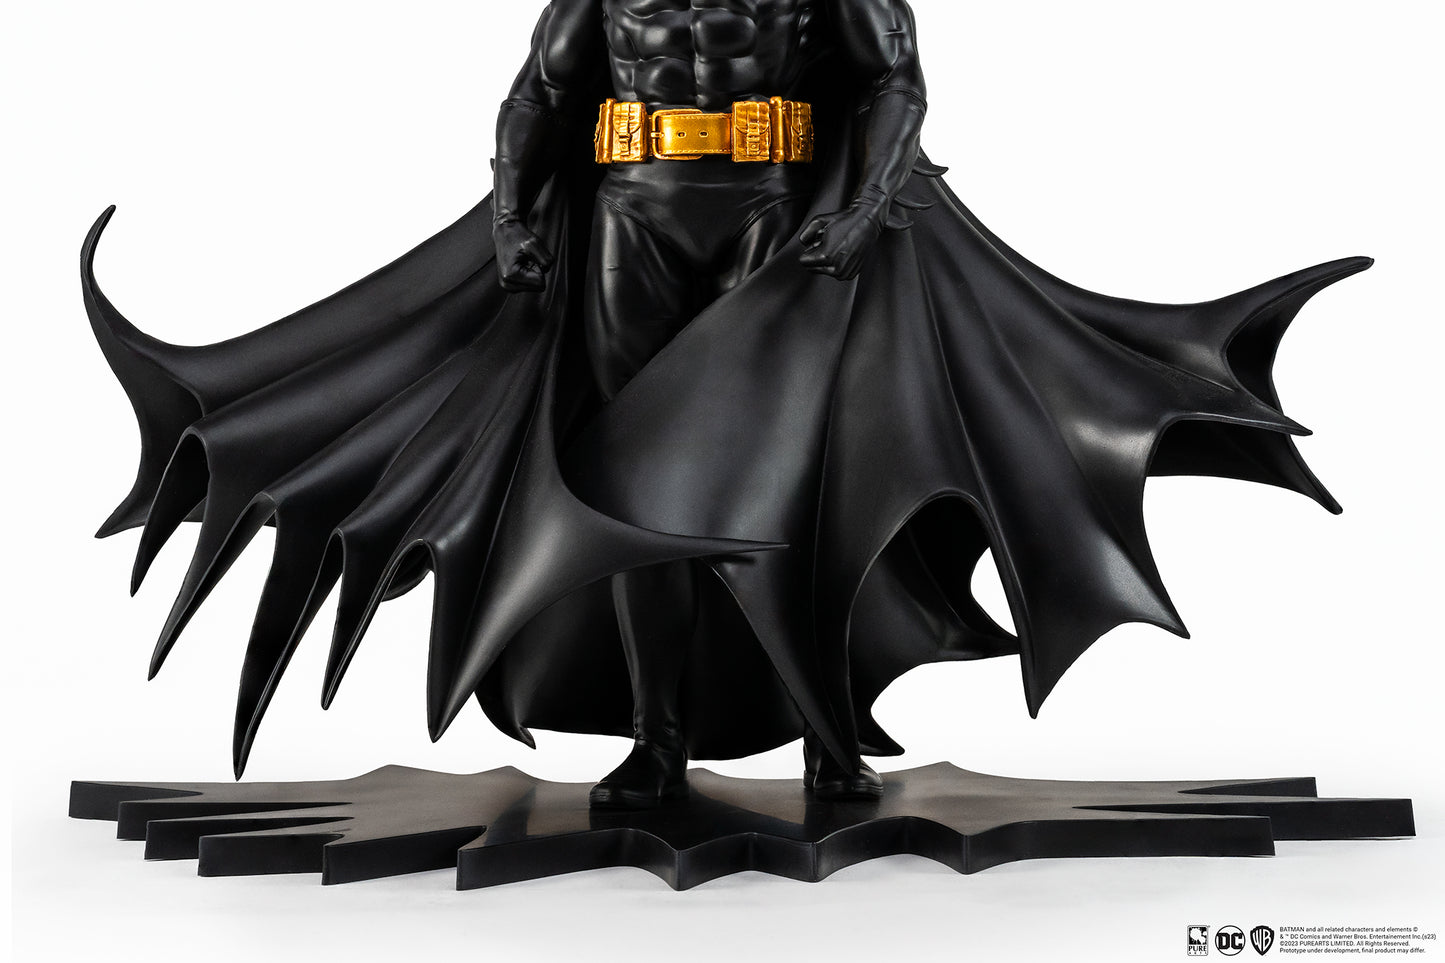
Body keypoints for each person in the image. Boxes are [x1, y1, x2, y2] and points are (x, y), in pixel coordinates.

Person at [82, 0, 1369, 812]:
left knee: (783, 484)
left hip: (771, 220)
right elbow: (542, 91)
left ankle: (827, 740)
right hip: (624, 222)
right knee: (623, 490)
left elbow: (892, 80)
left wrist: (859, 209)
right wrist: (514, 211)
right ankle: (656, 740)